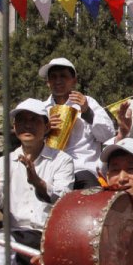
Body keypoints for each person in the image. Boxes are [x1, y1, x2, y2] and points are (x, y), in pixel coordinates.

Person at [0, 99, 74, 265]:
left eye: (34, 120)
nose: (27, 125)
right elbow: (1, 204)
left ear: (47, 126)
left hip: (47, 236)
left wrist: (37, 183)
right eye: (22, 121)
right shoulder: (4, 162)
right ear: (14, 127)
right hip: (13, 235)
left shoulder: (62, 160)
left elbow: (63, 201)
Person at [40, 57, 115, 189]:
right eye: (53, 77)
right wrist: (44, 130)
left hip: (82, 170)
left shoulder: (88, 102)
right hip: (51, 172)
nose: (58, 81)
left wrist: (87, 112)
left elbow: (108, 135)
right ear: (48, 82)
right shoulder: (42, 109)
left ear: (74, 81)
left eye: (63, 76)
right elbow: (30, 144)